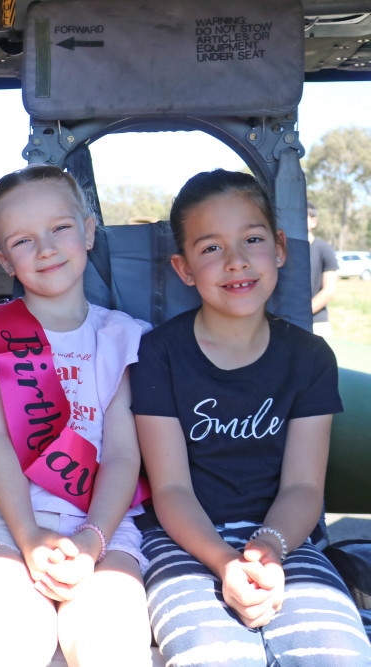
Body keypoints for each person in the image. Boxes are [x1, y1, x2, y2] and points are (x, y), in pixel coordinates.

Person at [131, 169, 371, 665]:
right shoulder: (159, 353)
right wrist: (224, 563)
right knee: (215, 655)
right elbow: (171, 489)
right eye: (211, 248)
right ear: (184, 268)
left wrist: (269, 550)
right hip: (185, 543)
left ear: (280, 247)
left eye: (253, 239)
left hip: (287, 538)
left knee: (337, 654)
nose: (236, 261)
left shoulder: (309, 357)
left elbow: (304, 488)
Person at [0, 165, 151, 666]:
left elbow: (121, 454)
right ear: (3, 260)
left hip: (105, 526)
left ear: (90, 230)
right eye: (23, 240)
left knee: (109, 641)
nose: (46, 248)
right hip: (3, 522)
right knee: (13, 635)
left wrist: (91, 541)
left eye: (60, 228)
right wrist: (29, 537)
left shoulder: (121, 336)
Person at [308, 203, 338, 337]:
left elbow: (329, 290)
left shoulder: (325, 249)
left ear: (313, 221)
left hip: (317, 324)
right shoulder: (281, 250)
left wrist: (303, 312)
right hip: (285, 323)